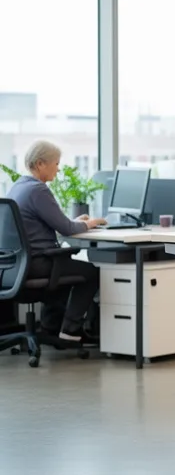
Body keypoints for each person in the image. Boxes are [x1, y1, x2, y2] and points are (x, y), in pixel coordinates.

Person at [6, 140, 105, 342]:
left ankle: (52, 326)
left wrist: (76, 222)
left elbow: (56, 224)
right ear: (41, 164)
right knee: (92, 272)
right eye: (56, 164)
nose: (58, 170)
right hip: (39, 263)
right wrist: (93, 222)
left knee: (68, 269)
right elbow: (67, 229)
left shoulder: (19, 187)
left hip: (17, 265)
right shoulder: (38, 190)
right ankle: (70, 329)